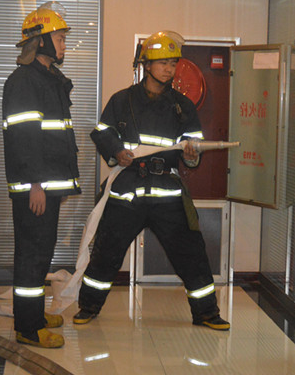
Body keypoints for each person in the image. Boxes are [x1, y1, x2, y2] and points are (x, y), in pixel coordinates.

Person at [73, 30, 230, 331]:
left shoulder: (183, 106)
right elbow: (102, 132)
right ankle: (88, 306)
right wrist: (117, 151)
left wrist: (192, 154)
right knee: (106, 253)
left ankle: (207, 312)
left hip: (167, 194)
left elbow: (193, 151)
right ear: (146, 65)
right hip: (127, 192)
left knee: (191, 253)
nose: (169, 69)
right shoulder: (121, 100)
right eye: (163, 63)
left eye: (173, 63)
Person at [2, 2, 81, 348]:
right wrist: (35, 184)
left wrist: (57, 186)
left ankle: (33, 313)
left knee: (42, 253)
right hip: (35, 186)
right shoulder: (24, 81)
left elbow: (54, 137)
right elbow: (24, 138)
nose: (64, 45)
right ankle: (28, 327)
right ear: (42, 41)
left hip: (47, 185)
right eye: (59, 39)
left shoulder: (48, 80)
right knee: (32, 255)